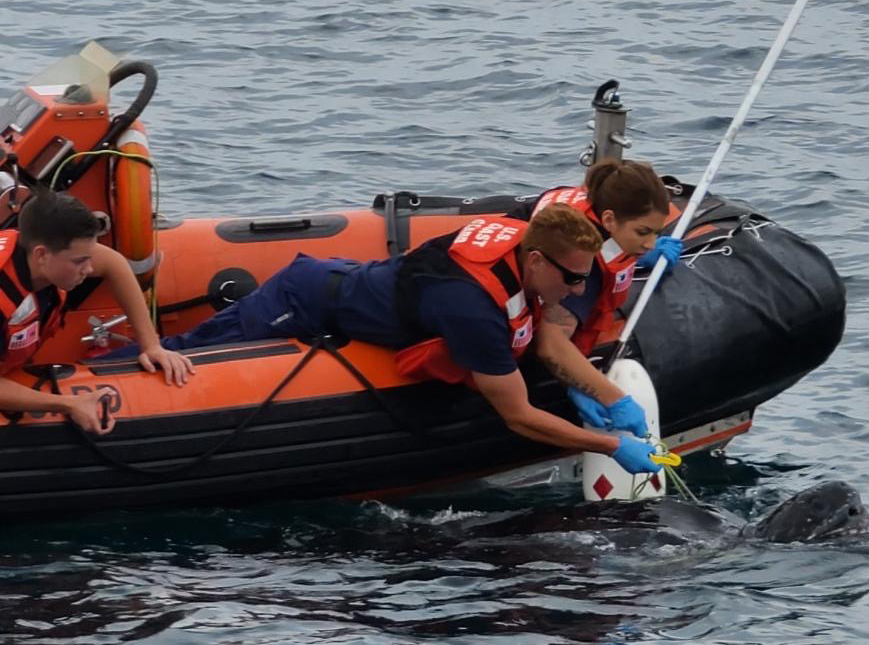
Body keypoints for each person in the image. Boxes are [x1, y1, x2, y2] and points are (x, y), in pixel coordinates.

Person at [103, 204, 661, 473]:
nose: (580, 287)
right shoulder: (473, 308)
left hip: (357, 283)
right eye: (572, 278)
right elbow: (516, 416)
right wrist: (613, 445)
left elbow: (538, 330)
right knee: (184, 360)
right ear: (535, 260)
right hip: (300, 302)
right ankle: (98, 369)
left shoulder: (519, 242)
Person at [509, 159, 683, 435]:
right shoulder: (582, 262)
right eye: (642, 232)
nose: (650, 242)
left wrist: (638, 251)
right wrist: (612, 398)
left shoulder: (589, 208)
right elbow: (551, 345)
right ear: (609, 220)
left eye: (656, 233)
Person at [0, 189, 194, 435]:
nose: (89, 268)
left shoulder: (38, 254)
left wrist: (151, 345)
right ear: (41, 255)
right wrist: (68, 404)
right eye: (80, 261)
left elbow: (113, 263)